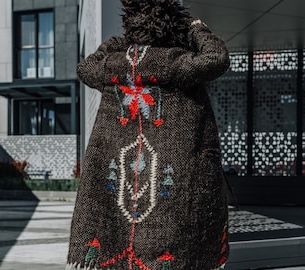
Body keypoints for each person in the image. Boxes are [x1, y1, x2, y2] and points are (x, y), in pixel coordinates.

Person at [66, 0, 230, 269]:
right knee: (175, 239)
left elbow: (86, 67)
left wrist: (120, 42)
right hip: (172, 173)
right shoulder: (176, 62)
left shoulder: (113, 66)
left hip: (122, 174)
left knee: (117, 235)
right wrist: (196, 29)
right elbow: (217, 57)